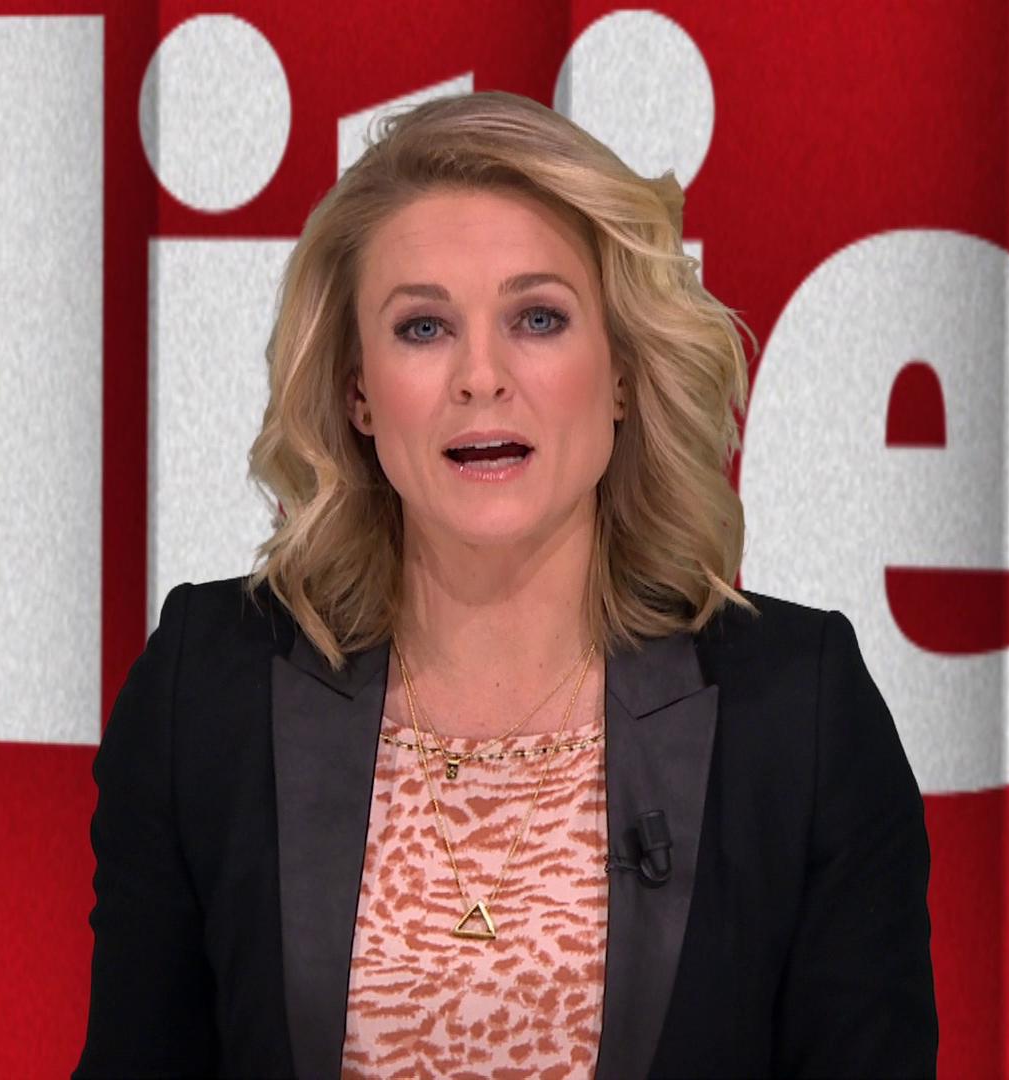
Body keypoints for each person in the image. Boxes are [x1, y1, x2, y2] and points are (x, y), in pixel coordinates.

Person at [75, 90, 935, 1080]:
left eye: (538, 318)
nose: (480, 376)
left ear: (622, 372)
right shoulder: (208, 688)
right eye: (423, 328)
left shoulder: (797, 712)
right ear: (358, 390)